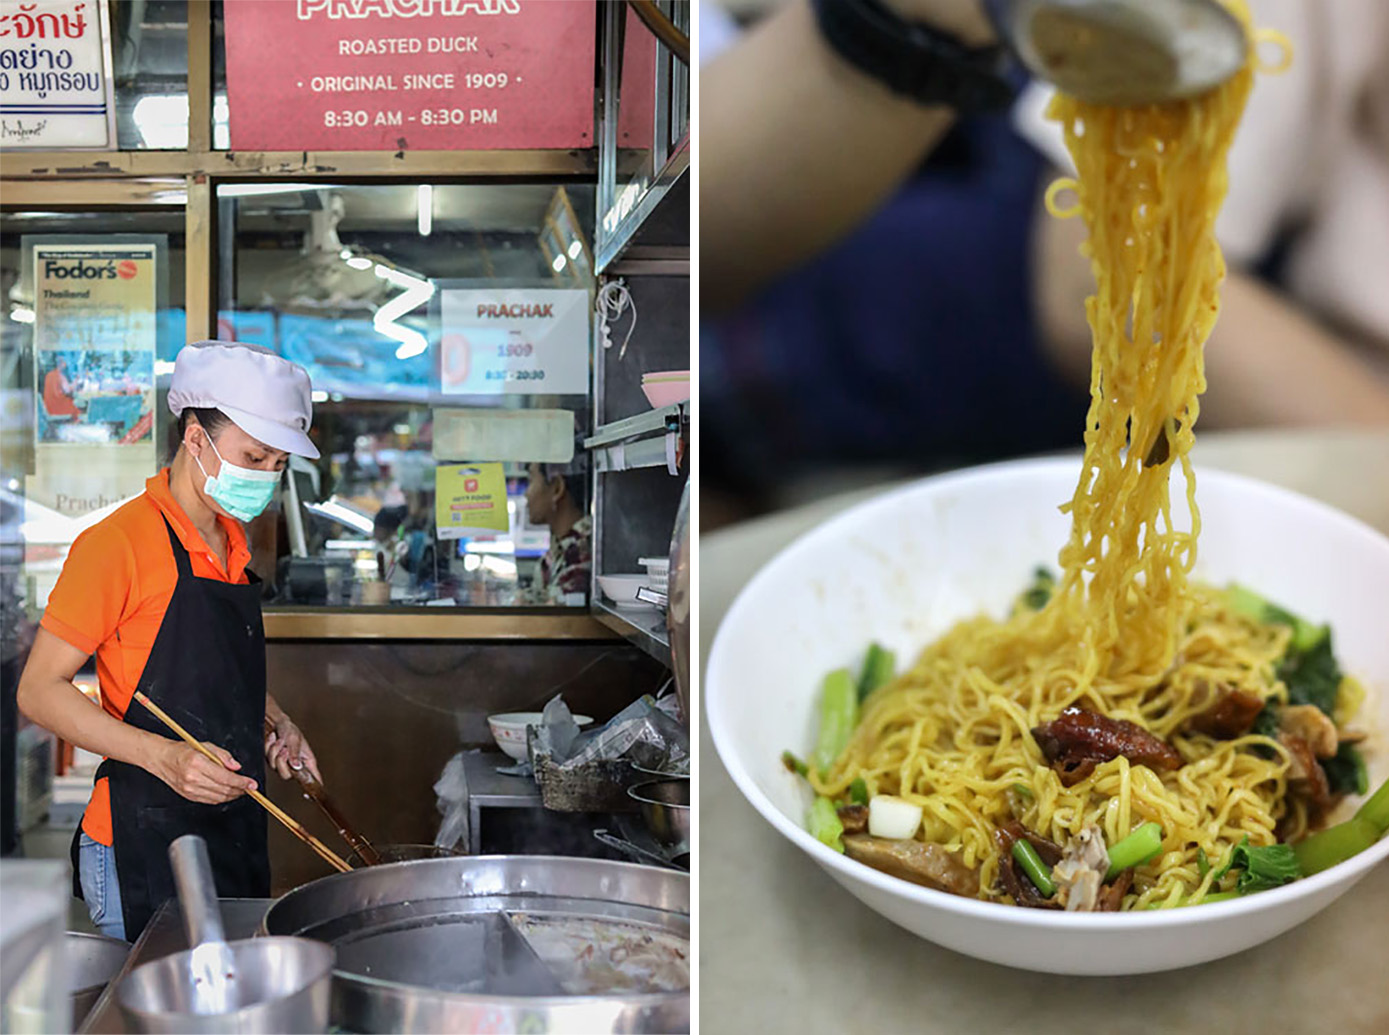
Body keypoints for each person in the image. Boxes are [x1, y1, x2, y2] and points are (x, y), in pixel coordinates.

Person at [16, 340, 324, 941]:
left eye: (278, 464)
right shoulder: (119, 544)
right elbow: (37, 691)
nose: (265, 477)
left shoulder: (232, 544)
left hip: (230, 831)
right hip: (143, 840)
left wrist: (273, 722)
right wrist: (165, 757)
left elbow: (210, 673)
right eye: (254, 456)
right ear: (194, 438)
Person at [524, 461, 591, 605]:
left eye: (530, 481)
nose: (526, 494)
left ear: (557, 489)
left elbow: (554, 622)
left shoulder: (581, 553)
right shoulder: (560, 549)